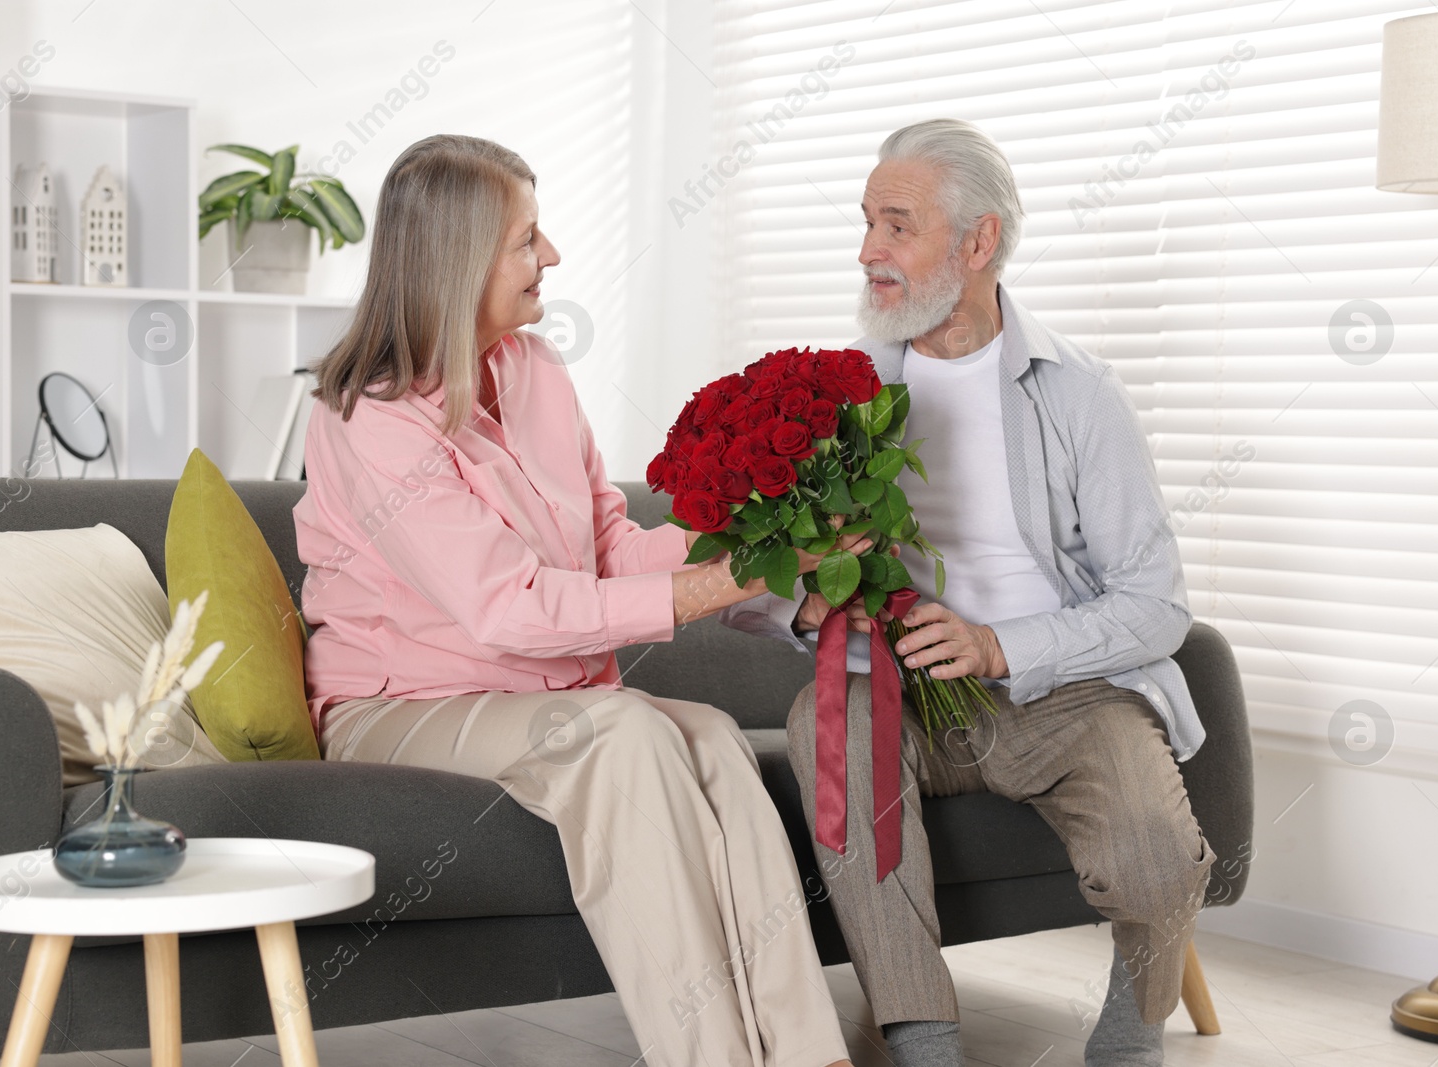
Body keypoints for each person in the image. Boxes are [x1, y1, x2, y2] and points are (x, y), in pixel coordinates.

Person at [292, 133, 859, 1067]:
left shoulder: (535, 369)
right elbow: (507, 610)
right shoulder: (370, 415)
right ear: (458, 257)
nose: (549, 255)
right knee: (627, 734)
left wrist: (767, 537)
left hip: (539, 699)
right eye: (527, 238)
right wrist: (725, 584)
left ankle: (810, 1055)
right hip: (400, 707)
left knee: (714, 736)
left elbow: (610, 547)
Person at [720, 118, 1216, 1067]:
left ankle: (1134, 1025)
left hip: (1062, 691)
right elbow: (743, 582)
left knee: (1156, 861)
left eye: (897, 225)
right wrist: (807, 603)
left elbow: (1156, 606)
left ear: (978, 241)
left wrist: (999, 647)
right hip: (896, 689)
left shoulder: (1077, 396)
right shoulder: (838, 394)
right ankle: (925, 1042)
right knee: (832, 722)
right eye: (867, 222)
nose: (869, 251)